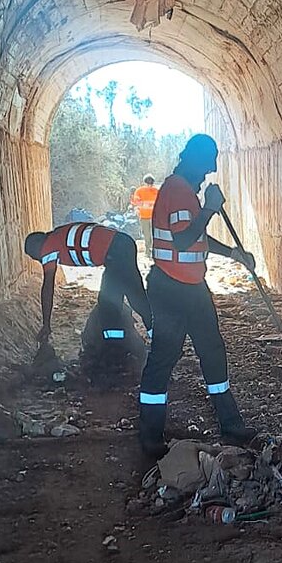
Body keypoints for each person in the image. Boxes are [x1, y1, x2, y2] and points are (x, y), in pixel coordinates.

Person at [138, 134, 257, 457]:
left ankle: (231, 425)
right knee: (165, 356)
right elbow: (182, 241)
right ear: (194, 159)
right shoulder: (177, 190)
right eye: (209, 162)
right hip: (171, 290)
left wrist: (234, 253)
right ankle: (150, 437)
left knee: (213, 350)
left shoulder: (185, 191)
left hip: (192, 288)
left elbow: (197, 239)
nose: (212, 169)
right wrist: (210, 209)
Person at [24, 223, 152, 343]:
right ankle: (156, 335)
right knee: (136, 295)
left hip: (114, 251)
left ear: (37, 247)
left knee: (109, 304)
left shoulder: (48, 247)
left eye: (34, 256)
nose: (38, 260)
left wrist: (46, 325)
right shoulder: (57, 235)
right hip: (124, 242)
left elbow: (47, 287)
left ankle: (114, 346)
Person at [130, 175, 160, 253]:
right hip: (147, 217)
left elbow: (161, 202)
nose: (149, 185)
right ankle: (149, 251)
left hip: (152, 217)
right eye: (148, 183)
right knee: (149, 235)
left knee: (151, 234)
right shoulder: (140, 191)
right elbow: (136, 202)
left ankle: (151, 251)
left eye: (151, 183)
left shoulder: (155, 191)